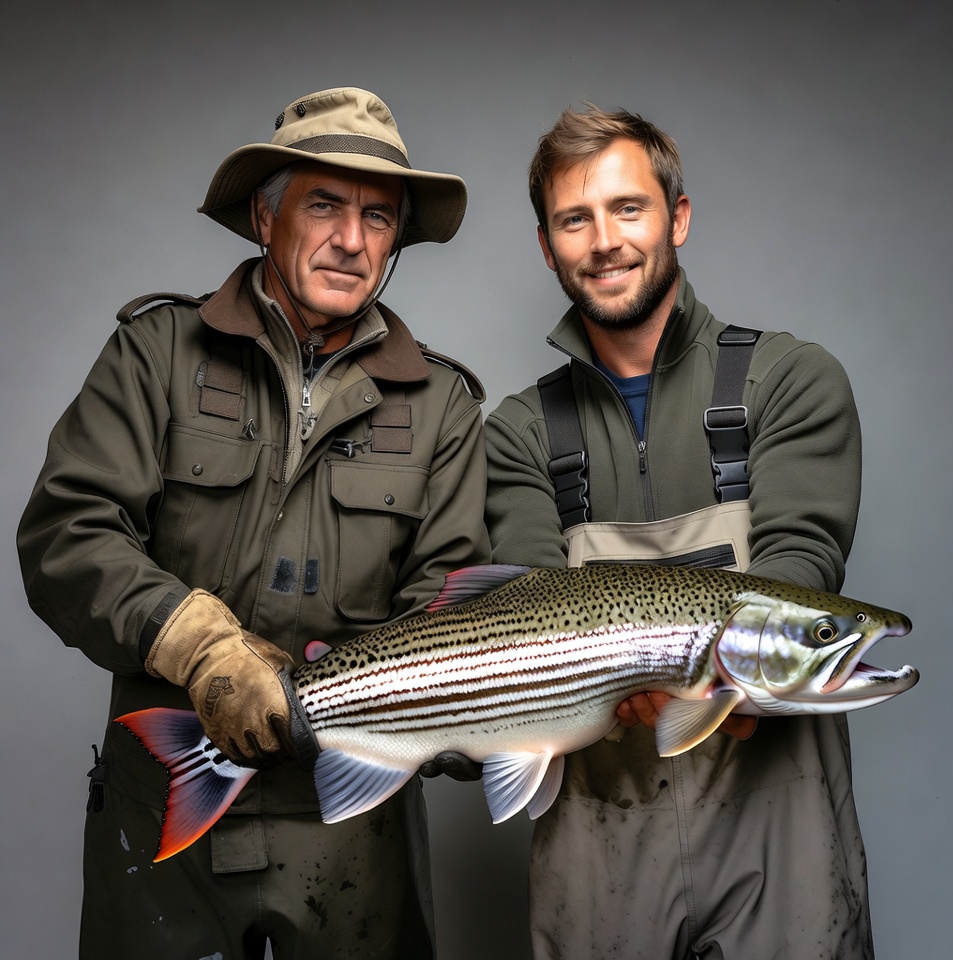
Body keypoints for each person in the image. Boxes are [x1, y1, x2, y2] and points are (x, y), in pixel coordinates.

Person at [18, 86, 490, 960]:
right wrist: (203, 649)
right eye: (325, 206)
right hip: (165, 801)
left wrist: (502, 716)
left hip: (355, 818)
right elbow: (66, 536)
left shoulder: (445, 406)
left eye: (379, 218)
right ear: (265, 218)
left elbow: (450, 607)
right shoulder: (155, 353)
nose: (352, 240)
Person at [485, 103, 872, 958]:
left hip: (778, 827)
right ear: (547, 246)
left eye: (629, 208)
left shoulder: (790, 380)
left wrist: (723, 695)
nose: (604, 241)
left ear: (678, 218)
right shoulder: (515, 432)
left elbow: (802, 568)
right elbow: (519, 608)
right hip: (597, 836)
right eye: (573, 220)